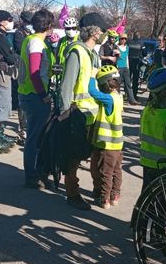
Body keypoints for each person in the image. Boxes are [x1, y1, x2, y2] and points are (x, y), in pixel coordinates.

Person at [59, 12, 110, 210]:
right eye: (102, 30)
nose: (103, 33)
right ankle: (72, 192)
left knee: (91, 153)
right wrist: (65, 115)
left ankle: (98, 190)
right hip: (77, 113)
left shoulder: (92, 54)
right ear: (94, 31)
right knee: (73, 157)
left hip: (91, 114)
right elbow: (66, 86)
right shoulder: (77, 52)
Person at [18, 9, 54, 189]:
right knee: (34, 137)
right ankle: (31, 175)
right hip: (34, 95)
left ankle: (35, 171)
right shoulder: (36, 43)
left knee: (36, 136)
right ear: (48, 25)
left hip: (29, 93)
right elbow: (34, 72)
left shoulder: (30, 40)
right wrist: (44, 95)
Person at [139, 67, 166, 191]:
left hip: (147, 163)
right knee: (163, 203)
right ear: (165, 93)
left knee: (147, 196)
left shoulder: (146, 110)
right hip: (165, 165)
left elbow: (141, 135)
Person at [90, 65, 124, 209]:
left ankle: (104, 199)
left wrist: (91, 76)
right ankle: (115, 195)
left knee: (105, 172)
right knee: (116, 170)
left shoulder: (109, 99)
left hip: (107, 144)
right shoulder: (118, 97)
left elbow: (92, 92)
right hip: (117, 144)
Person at [0, 10, 18, 154]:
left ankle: (0, 134)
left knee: (6, 105)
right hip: (1, 74)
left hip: (4, 74)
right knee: (2, 105)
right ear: (2, 22)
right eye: (10, 19)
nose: (11, 21)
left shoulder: (0, 36)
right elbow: (10, 57)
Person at [12, 10, 34, 145]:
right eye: (28, 22)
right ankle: (22, 129)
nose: (29, 25)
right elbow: (21, 50)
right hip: (21, 68)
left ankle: (26, 127)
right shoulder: (18, 34)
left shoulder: (30, 34)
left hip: (30, 69)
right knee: (22, 101)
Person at [117, 33, 138, 105]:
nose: (123, 40)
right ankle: (117, 100)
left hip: (125, 67)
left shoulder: (127, 48)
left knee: (128, 84)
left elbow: (127, 59)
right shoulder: (116, 47)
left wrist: (128, 67)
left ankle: (132, 100)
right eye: (122, 39)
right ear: (119, 39)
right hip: (118, 67)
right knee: (117, 84)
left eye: (125, 39)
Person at [128, 31, 145, 99]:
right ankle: (134, 95)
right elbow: (145, 53)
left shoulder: (129, 42)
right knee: (135, 80)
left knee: (128, 79)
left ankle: (127, 94)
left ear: (133, 36)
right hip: (137, 63)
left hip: (129, 62)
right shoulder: (141, 44)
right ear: (139, 36)